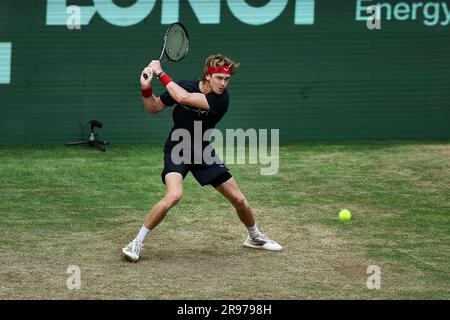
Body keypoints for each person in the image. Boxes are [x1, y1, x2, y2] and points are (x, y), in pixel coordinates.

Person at [122, 54, 282, 262]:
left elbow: (184, 98)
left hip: (202, 151)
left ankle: (254, 236)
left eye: (226, 79)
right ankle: (136, 242)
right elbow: (153, 108)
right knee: (174, 195)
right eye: (219, 78)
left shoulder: (221, 99)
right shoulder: (184, 85)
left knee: (239, 199)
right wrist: (146, 88)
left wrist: (160, 73)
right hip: (178, 148)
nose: (223, 84)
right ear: (207, 76)